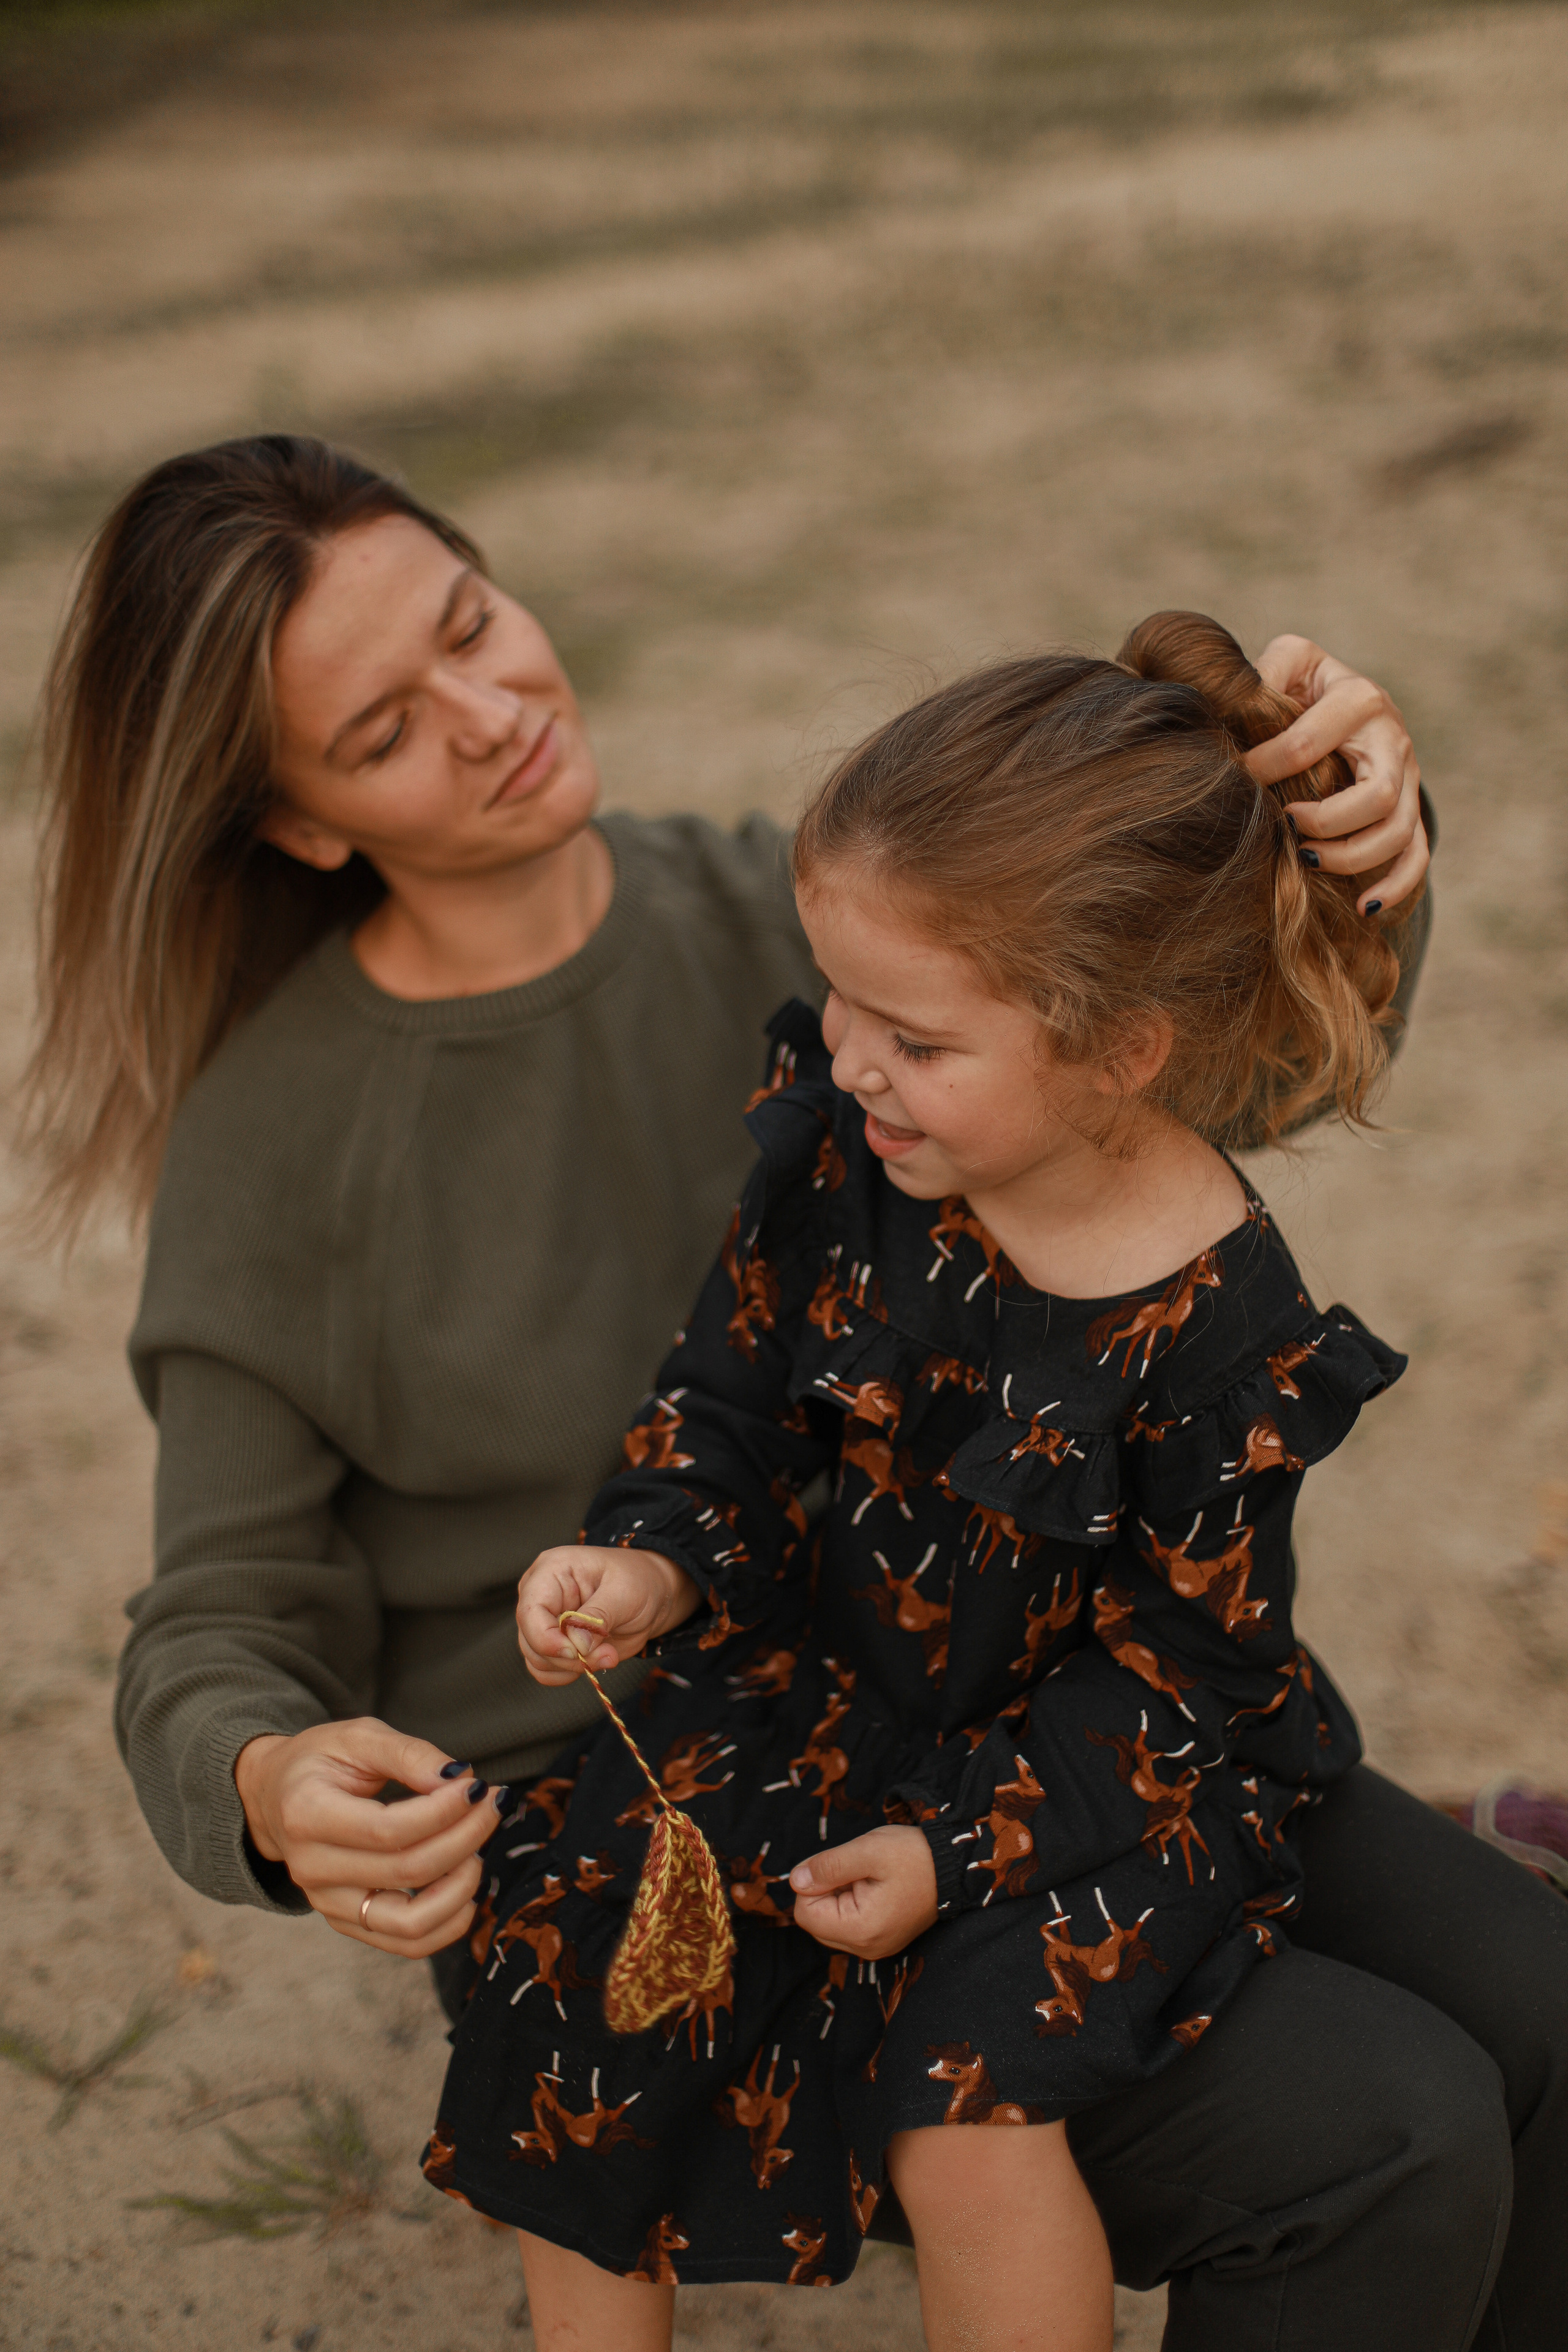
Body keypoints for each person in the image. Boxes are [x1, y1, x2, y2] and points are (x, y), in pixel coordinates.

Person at [17, 437, 1560, 2351]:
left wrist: (1349, 859)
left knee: (1541, 2000)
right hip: (679, 1819)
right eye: (388, 730)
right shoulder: (276, 1140)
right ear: (299, 823)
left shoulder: (809, 905)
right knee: (1391, 2134)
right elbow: (218, 1614)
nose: (493, 714)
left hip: (1042, 1688)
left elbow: (1190, 1101)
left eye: (473, 625)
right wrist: (263, 1779)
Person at [421, 613, 1414, 2351]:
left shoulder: (1222, 1324)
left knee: (965, 2121)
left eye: (917, 1037)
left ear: (1123, 1050)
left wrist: (951, 1855)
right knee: (579, 1964)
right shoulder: (854, 1152)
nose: (853, 1061)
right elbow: (729, 1403)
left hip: (1080, 1788)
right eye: (843, 1003)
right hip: (825, 1692)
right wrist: (651, 1566)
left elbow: (1184, 1672)